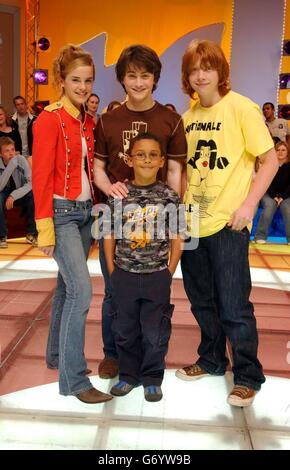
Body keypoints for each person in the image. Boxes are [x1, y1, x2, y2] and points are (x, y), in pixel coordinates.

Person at [176, 40, 278, 407]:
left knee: (234, 305)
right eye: (194, 69)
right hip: (192, 224)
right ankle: (212, 359)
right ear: (187, 76)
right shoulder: (187, 118)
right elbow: (182, 172)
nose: (201, 74)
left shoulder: (242, 108)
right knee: (201, 301)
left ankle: (248, 375)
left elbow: (270, 160)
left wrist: (250, 204)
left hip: (229, 224)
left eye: (208, 67)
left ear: (220, 72)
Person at [94, 44, 187, 380]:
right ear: (121, 79)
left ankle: (150, 365)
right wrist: (109, 190)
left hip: (156, 223)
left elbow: (176, 172)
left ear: (155, 78)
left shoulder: (171, 120)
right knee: (113, 291)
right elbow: (99, 168)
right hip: (120, 219)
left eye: (144, 75)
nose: (138, 81)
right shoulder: (107, 121)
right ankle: (113, 356)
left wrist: (171, 216)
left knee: (153, 303)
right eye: (131, 75)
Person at [32, 44, 112, 404]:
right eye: (76, 79)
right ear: (61, 80)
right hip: (61, 214)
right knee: (82, 292)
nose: (83, 86)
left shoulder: (86, 121)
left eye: (88, 80)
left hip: (83, 213)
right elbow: (41, 177)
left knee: (66, 289)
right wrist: (44, 228)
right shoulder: (48, 119)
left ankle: (55, 357)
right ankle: (75, 380)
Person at [104, 132, 183, 401]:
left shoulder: (170, 196)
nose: (146, 160)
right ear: (130, 159)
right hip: (124, 275)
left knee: (155, 331)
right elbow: (109, 235)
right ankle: (128, 376)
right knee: (124, 330)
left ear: (161, 161)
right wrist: (114, 271)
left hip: (156, 277)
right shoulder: (119, 194)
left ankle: (152, 377)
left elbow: (177, 237)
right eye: (140, 154)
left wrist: (168, 271)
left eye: (152, 155)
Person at [0, 136, 37, 248]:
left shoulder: (20, 159)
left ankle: (31, 233)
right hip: (3, 192)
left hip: (18, 192)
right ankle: (2, 236)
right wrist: (11, 165)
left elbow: (31, 183)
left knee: (33, 194)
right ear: (0, 154)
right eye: (7, 151)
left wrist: (13, 196)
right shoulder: (12, 161)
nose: (11, 154)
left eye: (12, 149)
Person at [255, 140, 290, 244]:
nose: (280, 152)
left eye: (283, 150)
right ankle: (260, 236)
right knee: (270, 205)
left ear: (287, 152)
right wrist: (274, 196)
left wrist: (282, 197)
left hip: (286, 195)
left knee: (287, 207)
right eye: (278, 150)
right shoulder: (269, 165)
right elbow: (267, 182)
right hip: (269, 192)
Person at [12, 96, 37, 162]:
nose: (20, 106)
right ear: (15, 107)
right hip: (17, 155)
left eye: (22, 104)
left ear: (26, 104)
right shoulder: (11, 120)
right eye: (18, 104)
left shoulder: (35, 119)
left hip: (32, 154)